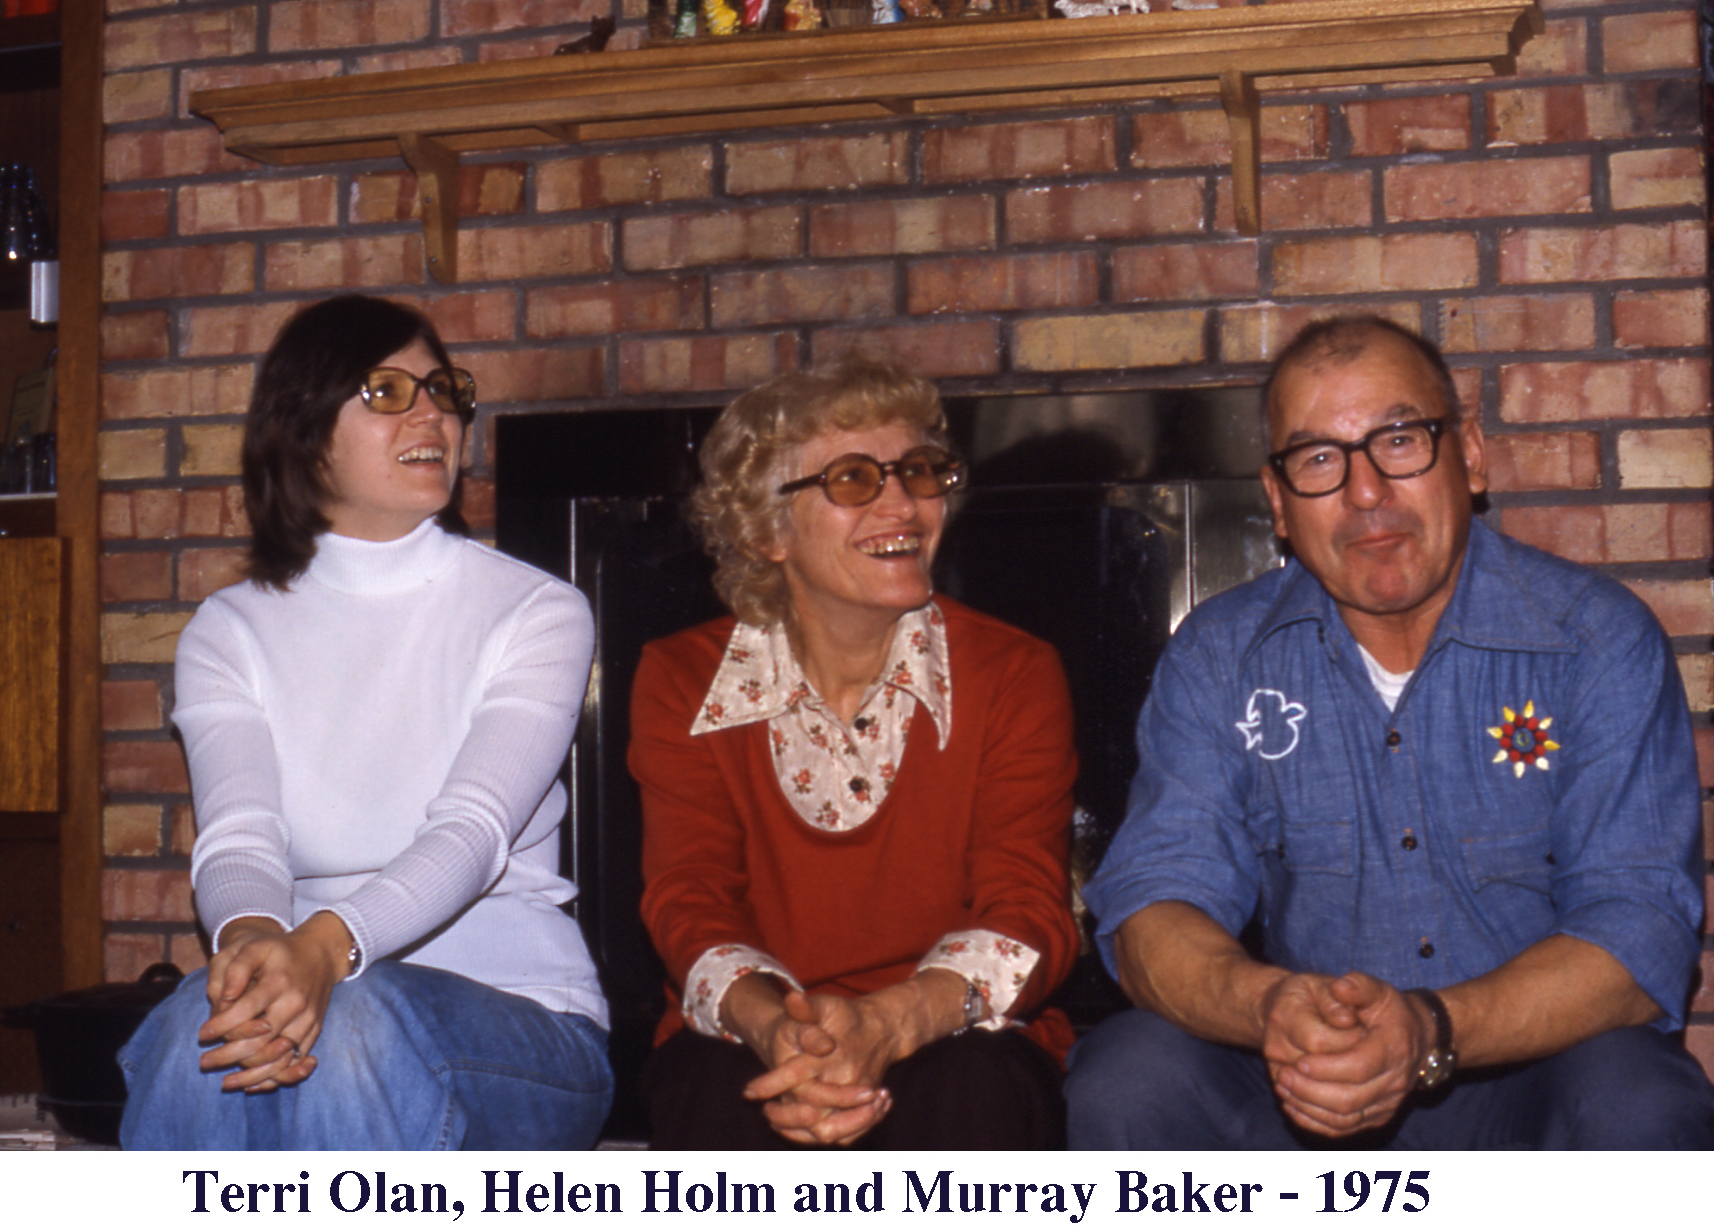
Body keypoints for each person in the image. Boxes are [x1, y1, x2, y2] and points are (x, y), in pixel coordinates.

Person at [1066, 315, 1713, 1149]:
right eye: (1319, 459)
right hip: (1302, 1077)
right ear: (1278, 502)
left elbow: (1636, 928)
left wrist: (1430, 1027)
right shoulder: (1221, 656)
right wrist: (1268, 1006)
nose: (1365, 491)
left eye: (1400, 439)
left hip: (1526, 1082)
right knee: (1130, 1070)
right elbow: (1155, 902)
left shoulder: (1596, 641)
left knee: (1639, 1094)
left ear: (1469, 454)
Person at [118, 295, 613, 1150]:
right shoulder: (230, 630)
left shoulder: (536, 609)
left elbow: (475, 832)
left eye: (443, 389)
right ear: (306, 434)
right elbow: (240, 839)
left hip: (525, 1025)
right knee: (185, 1031)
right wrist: (255, 948)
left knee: (361, 1020)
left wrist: (327, 949)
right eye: (387, 391)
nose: (434, 413)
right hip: (315, 987)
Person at [631, 358, 1077, 1148]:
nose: (904, 504)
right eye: (853, 479)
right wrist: (778, 1031)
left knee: (975, 1085)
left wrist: (888, 1023)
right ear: (768, 529)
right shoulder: (681, 678)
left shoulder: (1014, 672)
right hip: (758, 1030)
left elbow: (1028, 907)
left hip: (951, 1027)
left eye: (920, 472)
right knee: (715, 1087)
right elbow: (688, 897)